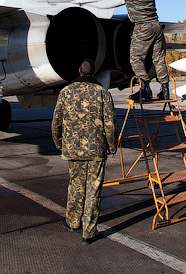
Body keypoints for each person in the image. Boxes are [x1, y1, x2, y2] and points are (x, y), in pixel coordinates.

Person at [51, 59, 117, 245]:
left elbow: (56, 121)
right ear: (93, 73)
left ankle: (72, 222)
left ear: (79, 71)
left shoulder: (65, 92)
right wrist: (112, 147)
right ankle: (89, 231)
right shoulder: (103, 94)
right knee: (93, 190)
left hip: (73, 150)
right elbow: (110, 125)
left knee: (75, 185)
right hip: (97, 150)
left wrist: (59, 143)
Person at [99, 0, 171, 101]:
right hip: (156, 26)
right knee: (159, 59)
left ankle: (145, 88)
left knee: (136, 59)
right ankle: (165, 90)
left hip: (142, 28)